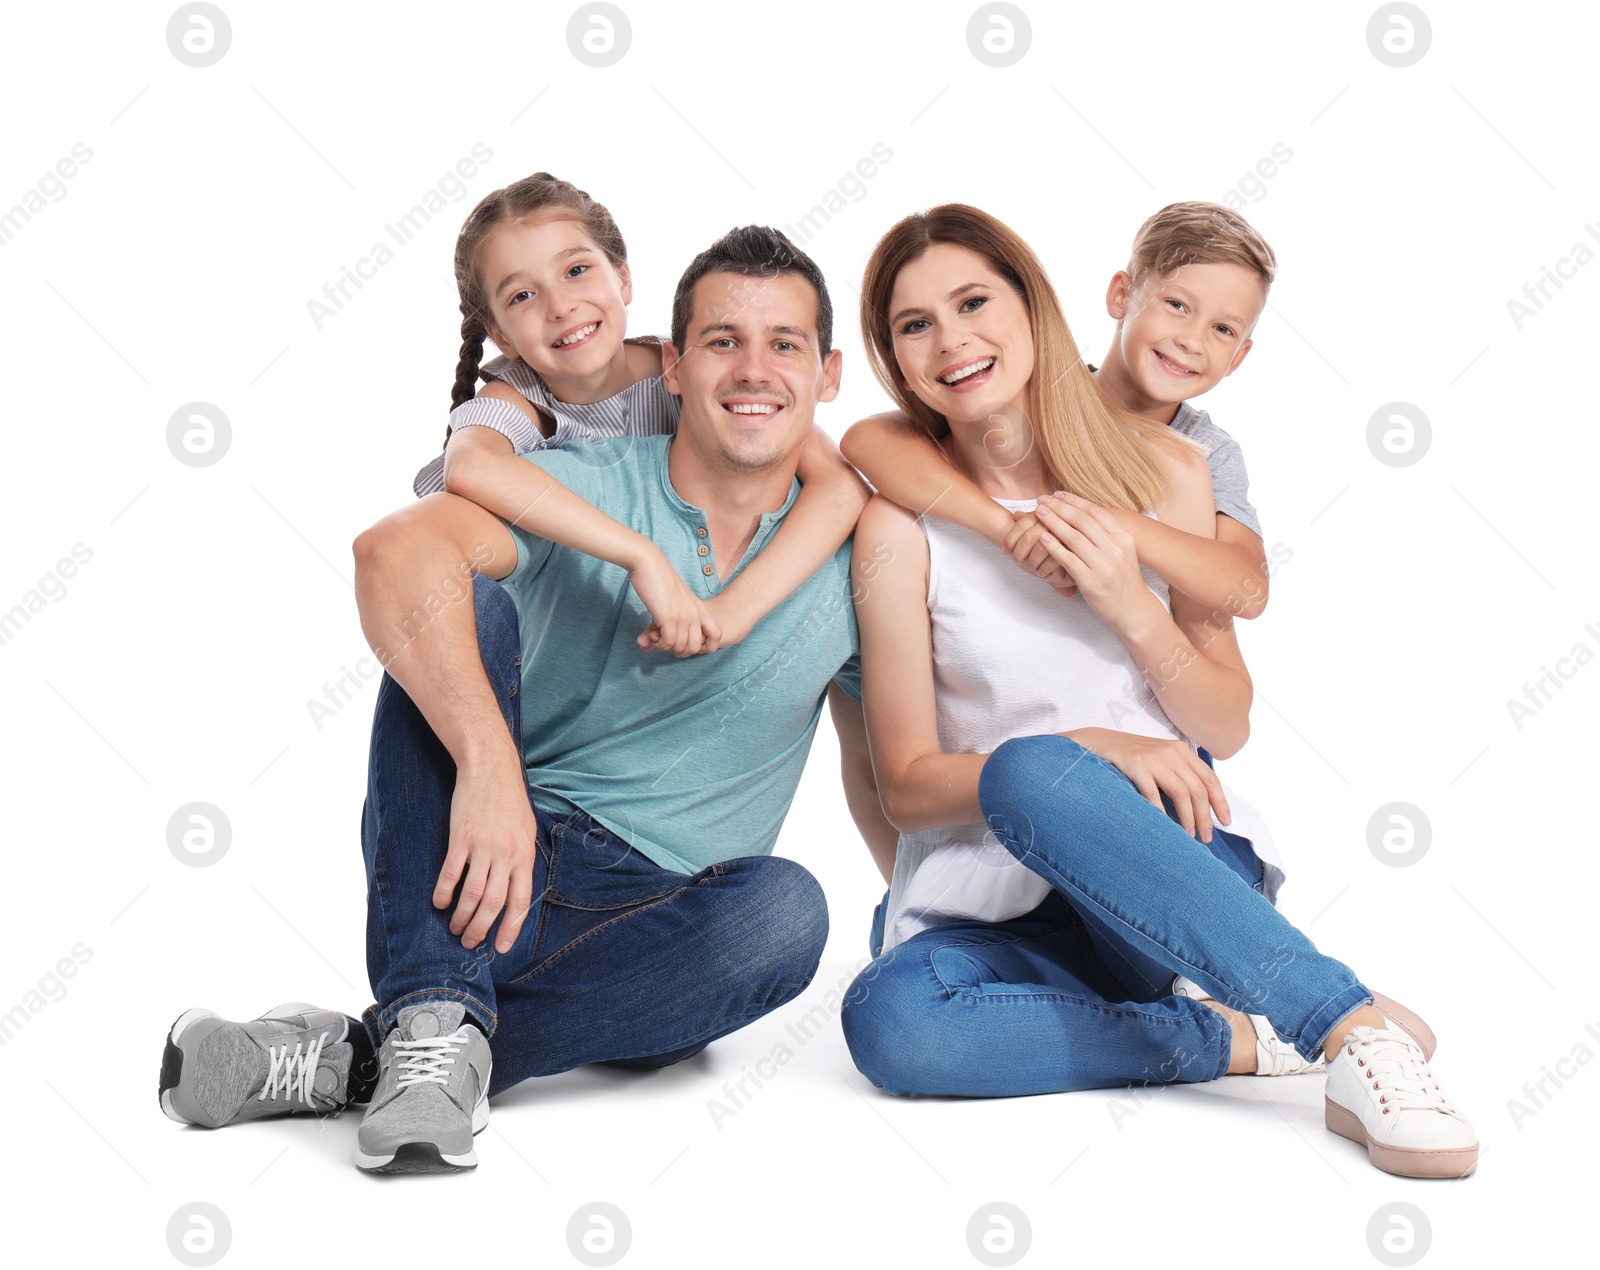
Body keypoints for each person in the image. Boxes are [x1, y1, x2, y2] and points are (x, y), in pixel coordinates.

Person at [158, 225, 879, 1175]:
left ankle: (389, 1044)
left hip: (659, 930)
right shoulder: (583, 485)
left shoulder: (861, 556)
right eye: (721, 341)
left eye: (783, 344)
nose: (752, 369)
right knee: (459, 609)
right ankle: (432, 1025)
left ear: (827, 375)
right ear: (672, 364)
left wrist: (925, 923)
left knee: (787, 914)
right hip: (489, 856)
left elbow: (879, 766)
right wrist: (492, 773)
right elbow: (393, 555)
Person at [836, 204, 1478, 1179]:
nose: (951, 339)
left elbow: (1226, 719)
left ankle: (1345, 1031)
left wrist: (1126, 604)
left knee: (1041, 775)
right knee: (892, 1021)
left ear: (1034, 307)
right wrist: (1090, 748)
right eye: (913, 324)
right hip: (995, 900)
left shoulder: (1172, 473)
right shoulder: (895, 530)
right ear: (893, 355)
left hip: (1162, 863)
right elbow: (911, 788)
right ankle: (1226, 1037)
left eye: (973, 302)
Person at [412, 170, 868, 656]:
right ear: (501, 335)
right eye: (522, 296)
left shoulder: (693, 373)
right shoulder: (517, 403)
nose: (561, 306)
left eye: (575, 270)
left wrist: (736, 610)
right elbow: (471, 467)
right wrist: (638, 554)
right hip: (530, 638)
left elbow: (839, 486)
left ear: (623, 278)